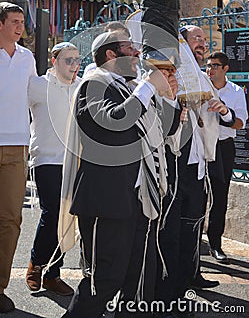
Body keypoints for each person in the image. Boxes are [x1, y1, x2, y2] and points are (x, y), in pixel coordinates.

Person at [59, 30, 175, 318]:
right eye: (129, 48)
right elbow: (113, 124)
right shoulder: (92, 85)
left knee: (136, 279)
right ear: (111, 55)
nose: (137, 54)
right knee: (104, 280)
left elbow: (165, 132)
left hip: (137, 198)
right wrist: (148, 88)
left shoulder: (130, 88)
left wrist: (168, 96)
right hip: (107, 200)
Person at [155, 26, 235, 318]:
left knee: (192, 227)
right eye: (196, 39)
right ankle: (169, 292)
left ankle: (190, 278)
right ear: (183, 46)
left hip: (200, 162)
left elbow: (229, 117)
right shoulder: (169, 75)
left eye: (204, 39)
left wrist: (220, 108)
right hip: (177, 164)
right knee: (173, 231)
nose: (203, 43)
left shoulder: (202, 77)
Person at [25, 42, 82, 296]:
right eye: (67, 60)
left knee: (67, 217)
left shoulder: (82, 87)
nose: (73, 65)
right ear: (54, 60)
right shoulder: (37, 85)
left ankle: (52, 273)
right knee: (53, 212)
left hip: (74, 161)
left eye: (76, 60)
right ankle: (36, 265)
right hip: (46, 158)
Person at [0, 2, 37, 313]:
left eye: (22, 21)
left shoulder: (27, 59)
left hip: (16, 147)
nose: (20, 26)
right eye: (14, 21)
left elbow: (36, 97)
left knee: (11, 220)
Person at [205, 51, 248, 262]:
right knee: (195, 196)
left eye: (214, 65)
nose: (210, 69)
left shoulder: (236, 91)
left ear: (225, 69)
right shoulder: (201, 86)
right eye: (208, 65)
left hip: (223, 146)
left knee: (219, 197)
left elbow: (241, 123)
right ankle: (194, 244)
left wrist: (225, 112)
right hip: (201, 145)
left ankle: (215, 244)